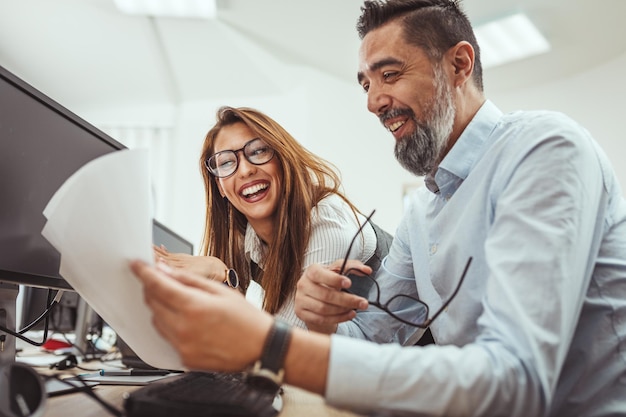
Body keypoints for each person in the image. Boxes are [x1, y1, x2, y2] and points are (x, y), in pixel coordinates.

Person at [131, 1, 626, 416]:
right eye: (366, 84)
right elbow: (371, 337)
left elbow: (516, 380)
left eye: (389, 75)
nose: (372, 102)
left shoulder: (544, 148)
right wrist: (322, 318)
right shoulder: (423, 213)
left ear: (459, 64)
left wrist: (271, 344)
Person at [154, 106, 392, 328]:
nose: (245, 170)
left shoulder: (327, 224)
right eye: (226, 163)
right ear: (220, 188)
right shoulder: (249, 238)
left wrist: (221, 273)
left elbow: (286, 349)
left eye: (258, 151)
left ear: (283, 160)